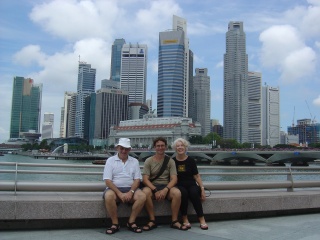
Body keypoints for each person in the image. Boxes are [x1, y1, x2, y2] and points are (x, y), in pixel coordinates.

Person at [142, 137, 188, 231]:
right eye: (158, 146)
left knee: (177, 193)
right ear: (154, 147)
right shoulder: (148, 161)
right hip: (153, 186)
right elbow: (145, 179)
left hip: (166, 186)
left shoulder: (170, 161)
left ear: (166, 147)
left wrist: (166, 189)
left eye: (162, 146)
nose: (160, 148)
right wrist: (155, 190)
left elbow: (174, 179)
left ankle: (174, 221)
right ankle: (152, 220)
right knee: (145, 192)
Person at [103, 138, 146, 234]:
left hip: (130, 188)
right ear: (117, 148)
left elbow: (137, 180)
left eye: (126, 149)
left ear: (129, 150)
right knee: (108, 196)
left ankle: (131, 222)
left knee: (142, 196)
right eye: (121, 148)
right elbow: (108, 181)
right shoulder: (110, 160)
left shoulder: (134, 161)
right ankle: (115, 223)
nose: (123, 151)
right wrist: (119, 193)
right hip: (114, 189)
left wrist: (131, 192)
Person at [172, 138, 208, 230]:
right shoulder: (172, 161)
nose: (180, 147)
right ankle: (185, 218)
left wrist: (202, 189)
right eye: (178, 146)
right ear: (175, 149)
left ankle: (201, 219)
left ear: (185, 147)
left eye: (182, 145)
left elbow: (196, 176)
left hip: (191, 184)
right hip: (179, 184)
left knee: (194, 193)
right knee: (183, 193)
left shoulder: (191, 160)